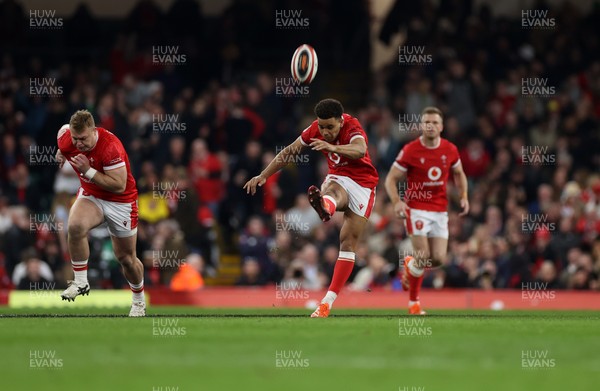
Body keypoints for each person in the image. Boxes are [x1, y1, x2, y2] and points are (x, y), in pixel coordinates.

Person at [244, 98, 379, 317]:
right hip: (338, 177)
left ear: (340, 122)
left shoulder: (353, 126)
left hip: (364, 184)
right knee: (334, 191)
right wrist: (263, 175)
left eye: (330, 127)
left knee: (348, 242)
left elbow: (360, 150)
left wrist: (332, 146)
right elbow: (289, 151)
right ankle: (325, 205)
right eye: (322, 126)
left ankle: (327, 302)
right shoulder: (315, 129)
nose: (324, 131)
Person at [56, 110, 146, 316]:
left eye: (84, 138)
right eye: (75, 139)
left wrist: (88, 170)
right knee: (75, 226)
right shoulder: (65, 137)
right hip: (92, 195)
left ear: (94, 131)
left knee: (126, 258)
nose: (79, 144)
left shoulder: (110, 147)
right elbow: (63, 136)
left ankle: (138, 301)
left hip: (121, 201)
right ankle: (80, 282)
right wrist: (60, 152)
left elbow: (119, 185)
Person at [385, 106, 469, 315]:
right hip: (416, 209)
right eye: (426, 122)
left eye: (434, 123)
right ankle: (414, 303)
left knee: (438, 259)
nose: (430, 126)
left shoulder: (450, 149)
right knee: (423, 255)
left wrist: (464, 196)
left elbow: (459, 173)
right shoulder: (411, 150)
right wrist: (397, 202)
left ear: (441, 127)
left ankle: (410, 266)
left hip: (440, 210)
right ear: (421, 125)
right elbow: (391, 179)